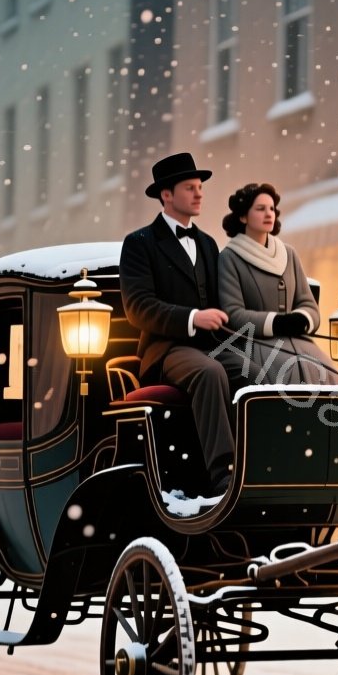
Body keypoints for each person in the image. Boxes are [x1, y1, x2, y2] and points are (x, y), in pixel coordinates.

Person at [120, 152, 248, 498]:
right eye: (190, 187)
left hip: (211, 346)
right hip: (167, 350)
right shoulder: (139, 244)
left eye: (200, 187)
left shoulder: (207, 244)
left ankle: (263, 466)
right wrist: (193, 318)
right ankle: (224, 477)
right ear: (166, 194)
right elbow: (139, 308)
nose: (199, 194)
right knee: (210, 373)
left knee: (258, 372)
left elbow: (221, 304)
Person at [216, 182, 338, 387]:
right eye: (260, 209)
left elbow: (308, 304)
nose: (269, 214)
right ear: (242, 216)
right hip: (257, 346)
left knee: (330, 377)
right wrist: (277, 323)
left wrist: (301, 320)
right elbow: (234, 314)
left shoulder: (288, 254)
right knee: (288, 379)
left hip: (301, 344)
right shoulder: (229, 257)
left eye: (271, 209)